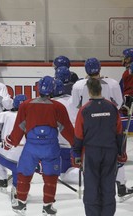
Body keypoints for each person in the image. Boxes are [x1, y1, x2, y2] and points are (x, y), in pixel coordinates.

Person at [5, 76, 74, 216]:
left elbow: (18, 129)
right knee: (51, 176)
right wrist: (77, 145)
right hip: (51, 147)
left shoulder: (25, 105)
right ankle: (47, 207)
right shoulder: (58, 106)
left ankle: (21, 204)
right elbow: (67, 129)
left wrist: (11, 141)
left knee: (24, 174)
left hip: (31, 147)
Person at [70, 57, 132, 196]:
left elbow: (74, 107)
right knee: (117, 152)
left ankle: (92, 188)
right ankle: (120, 185)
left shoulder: (79, 85)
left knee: (89, 155)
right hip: (108, 124)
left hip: (88, 126)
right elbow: (119, 103)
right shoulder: (112, 83)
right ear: (100, 68)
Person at [72, 78, 124, 216]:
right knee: (108, 185)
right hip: (110, 151)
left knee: (91, 186)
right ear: (101, 89)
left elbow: (78, 134)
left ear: (89, 91)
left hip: (91, 152)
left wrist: (76, 153)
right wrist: (121, 151)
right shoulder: (112, 107)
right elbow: (119, 131)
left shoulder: (84, 110)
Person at [0, 94, 27, 204]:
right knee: (19, 171)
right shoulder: (33, 117)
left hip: (7, 153)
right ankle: (16, 187)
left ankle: (3, 179)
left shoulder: (5, 115)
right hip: (26, 155)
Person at [52, 79, 79, 184]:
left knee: (61, 175)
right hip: (78, 140)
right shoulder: (74, 99)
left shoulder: (53, 104)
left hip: (62, 144)